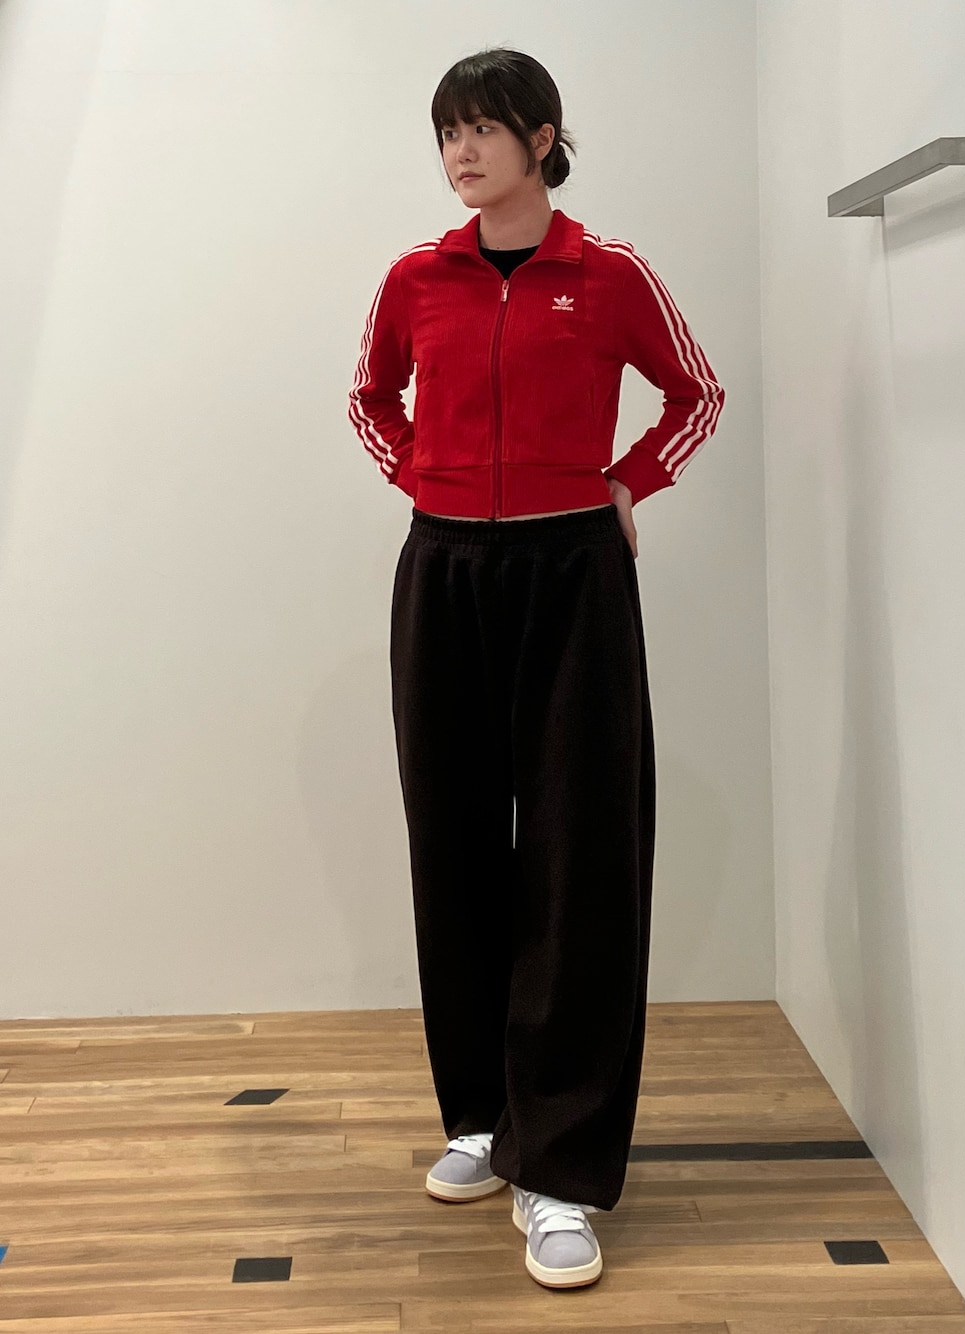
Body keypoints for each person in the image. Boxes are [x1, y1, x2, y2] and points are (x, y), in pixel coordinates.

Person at [348, 47, 724, 1290]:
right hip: (444, 570)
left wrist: (626, 482)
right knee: (452, 841)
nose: (459, 152)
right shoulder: (417, 277)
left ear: (542, 139)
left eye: (482, 129)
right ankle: (480, 1115)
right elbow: (370, 399)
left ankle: (558, 1164)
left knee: (577, 853)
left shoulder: (607, 274)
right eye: (446, 132)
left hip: (572, 575)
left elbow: (696, 393)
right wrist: (426, 476)